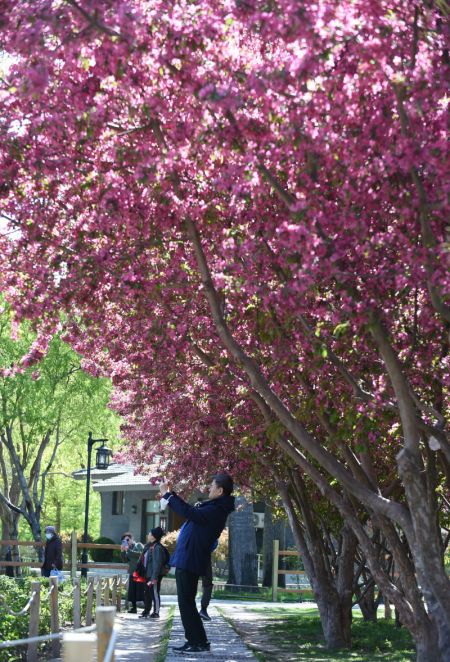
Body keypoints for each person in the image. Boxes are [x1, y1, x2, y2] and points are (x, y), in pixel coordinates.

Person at [160, 472, 234, 654]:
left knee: (186, 603)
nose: (209, 488)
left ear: (220, 490)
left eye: (212, 485)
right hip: (189, 558)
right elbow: (191, 511)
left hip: (190, 560)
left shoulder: (216, 510)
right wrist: (172, 493)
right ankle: (198, 641)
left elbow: (189, 512)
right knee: (187, 603)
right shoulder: (216, 507)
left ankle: (197, 642)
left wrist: (168, 495)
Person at [140, 526, 166, 619]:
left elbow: (157, 563)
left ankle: (156, 612)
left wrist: (154, 577)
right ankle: (147, 611)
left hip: (154, 575)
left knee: (154, 593)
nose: (148, 535)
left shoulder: (157, 547)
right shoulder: (148, 546)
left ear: (154, 536)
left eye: (150, 533)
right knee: (147, 593)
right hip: (147, 574)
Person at [120, 532, 144, 614]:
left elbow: (140, 555)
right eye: (124, 540)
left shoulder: (138, 545)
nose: (127, 541)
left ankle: (146, 608)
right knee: (132, 591)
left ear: (132, 539)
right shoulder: (127, 548)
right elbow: (125, 560)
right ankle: (134, 608)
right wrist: (122, 552)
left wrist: (128, 550)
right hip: (132, 572)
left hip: (140, 571)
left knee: (141, 591)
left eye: (128, 539)